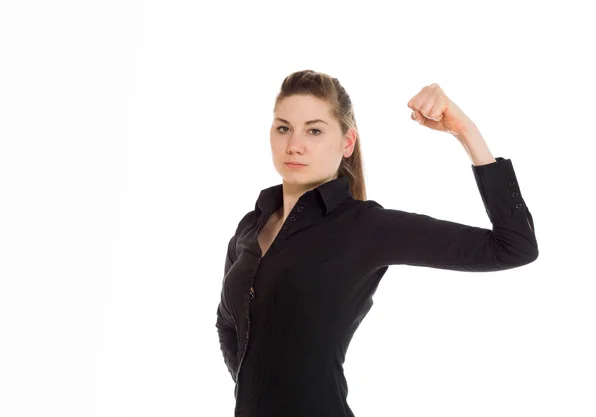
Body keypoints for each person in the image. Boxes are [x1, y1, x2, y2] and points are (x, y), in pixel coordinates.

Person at [215, 69, 539, 417]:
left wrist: (466, 132)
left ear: (347, 142)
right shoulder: (252, 225)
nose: (294, 144)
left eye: (314, 130)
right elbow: (228, 322)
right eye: (283, 128)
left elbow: (514, 246)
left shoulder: (364, 227)